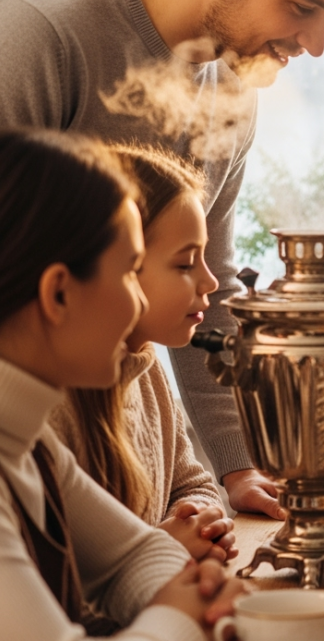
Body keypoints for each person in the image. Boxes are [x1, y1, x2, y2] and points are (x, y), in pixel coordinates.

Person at [0, 0, 324, 519]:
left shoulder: (234, 93)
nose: (316, 43)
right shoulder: (36, 41)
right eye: (303, 7)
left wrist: (238, 465)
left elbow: (213, 285)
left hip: (102, 470)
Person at [0, 129, 244, 639]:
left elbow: (135, 554)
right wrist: (178, 613)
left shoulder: (23, 439)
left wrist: (185, 591)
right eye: (131, 272)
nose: (136, 305)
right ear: (58, 294)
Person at [51, 145, 236, 564]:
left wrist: (196, 519)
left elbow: (191, 485)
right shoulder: (52, 406)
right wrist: (164, 549)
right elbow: (63, 579)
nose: (210, 282)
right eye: (186, 263)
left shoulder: (147, 367)